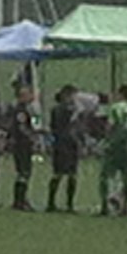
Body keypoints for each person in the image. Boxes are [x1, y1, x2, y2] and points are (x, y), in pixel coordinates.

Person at [99, 84, 127, 216]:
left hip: (114, 145)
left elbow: (110, 126)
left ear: (121, 94)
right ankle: (124, 207)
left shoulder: (115, 107)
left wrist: (106, 140)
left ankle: (104, 207)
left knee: (105, 176)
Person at [47, 85, 81, 213]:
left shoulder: (56, 109)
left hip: (61, 143)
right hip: (66, 144)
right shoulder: (67, 110)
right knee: (67, 174)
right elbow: (72, 126)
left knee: (61, 173)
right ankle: (68, 204)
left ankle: (52, 202)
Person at [7, 85, 37, 212]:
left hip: (22, 144)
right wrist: (31, 137)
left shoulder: (25, 109)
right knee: (24, 171)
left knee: (24, 172)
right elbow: (22, 127)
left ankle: (21, 199)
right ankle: (19, 200)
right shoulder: (21, 111)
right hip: (22, 145)